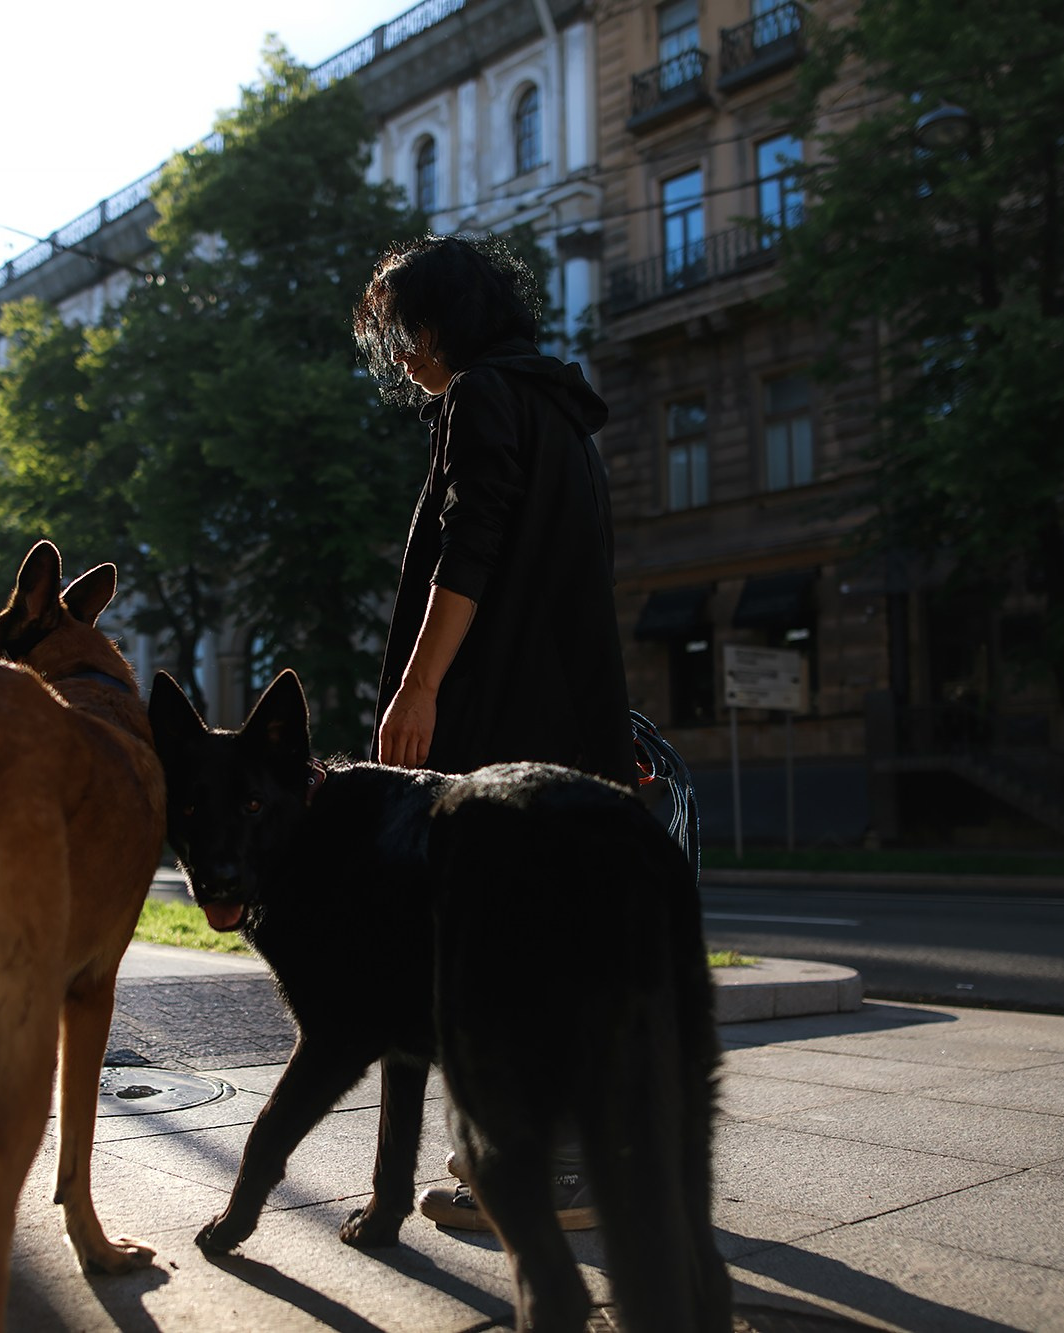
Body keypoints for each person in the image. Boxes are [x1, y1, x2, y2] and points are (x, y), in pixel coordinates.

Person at [353, 233, 637, 1231]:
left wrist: (417, 689)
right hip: (568, 738)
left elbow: (469, 551)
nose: (398, 358)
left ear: (437, 324)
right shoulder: (564, 417)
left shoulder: (479, 397)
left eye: (400, 333)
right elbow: (581, 595)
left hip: (498, 733)